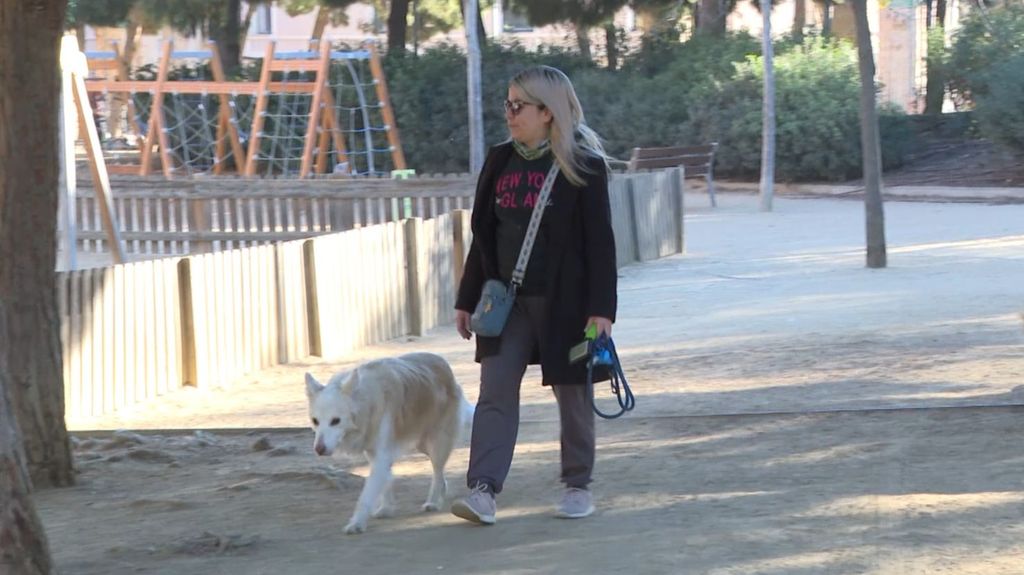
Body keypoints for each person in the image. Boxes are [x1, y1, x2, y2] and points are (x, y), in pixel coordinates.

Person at [450, 65, 618, 525]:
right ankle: (482, 490)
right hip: (507, 303)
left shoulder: (583, 163)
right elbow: (484, 236)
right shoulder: (500, 160)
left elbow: (601, 244)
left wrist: (602, 311)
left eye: (518, 105)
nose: (509, 113)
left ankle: (577, 485)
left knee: (573, 395)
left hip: (569, 304)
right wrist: (467, 298)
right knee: (495, 391)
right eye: (507, 104)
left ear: (547, 112)